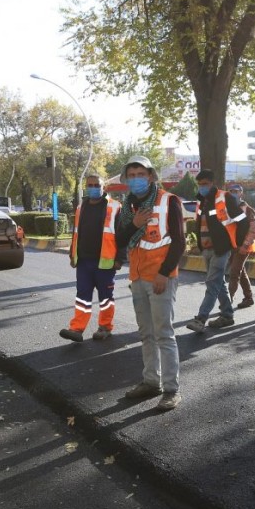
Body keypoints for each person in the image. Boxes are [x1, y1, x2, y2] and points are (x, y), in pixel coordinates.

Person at [115, 156, 184, 411]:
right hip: (137, 278)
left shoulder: (169, 201)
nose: (136, 179)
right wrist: (133, 224)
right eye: (131, 175)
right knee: (146, 334)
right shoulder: (128, 207)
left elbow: (179, 242)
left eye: (140, 174)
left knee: (164, 334)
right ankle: (150, 381)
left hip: (160, 278)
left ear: (151, 176)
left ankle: (171, 390)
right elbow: (121, 240)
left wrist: (163, 274)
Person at [60, 172, 126, 342]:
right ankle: (76, 329)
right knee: (82, 296)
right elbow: (77, 232)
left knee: (105, 297)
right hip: (83, 260)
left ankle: (105, 327)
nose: (93, 188)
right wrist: (72, 253)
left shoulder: (115, 207)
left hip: (106, 261)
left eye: (97, 185)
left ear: (104, 187)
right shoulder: (81, 207)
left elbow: (122, 235)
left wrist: (120, 258)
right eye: (90, 185)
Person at [186, 170, 248, 332]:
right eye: (199, 184)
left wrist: (239, 243)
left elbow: (243, 221)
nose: (202, 187)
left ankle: (201, 319)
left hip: (221, 249)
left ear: (213, 183)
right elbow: (200, 224)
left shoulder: (224, 197)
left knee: (212, 283)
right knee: (218, 283)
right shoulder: (201, 200)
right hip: (206, 249)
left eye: (205, 184)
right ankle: (227, 315)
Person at [225, 183, 255, 309]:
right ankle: (248, 298)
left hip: (242, 247)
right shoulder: (226, 208)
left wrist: (245, 245)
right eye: (231, 191)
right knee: (241, 271)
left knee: (234, 272)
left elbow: (254, 230)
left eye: (236, 191)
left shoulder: (248, 210)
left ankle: (228, 300)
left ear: (241, 193)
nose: (233, 193)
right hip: (231, 246)